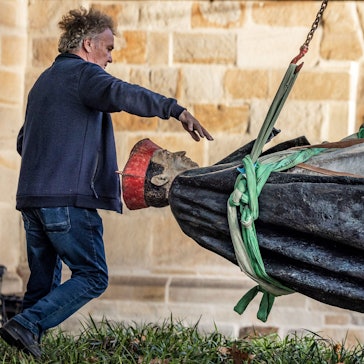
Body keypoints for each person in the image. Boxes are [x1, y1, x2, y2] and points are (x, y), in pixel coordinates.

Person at [0, 7, 213, 358]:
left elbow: (25, 142)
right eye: (109, 48)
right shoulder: (85, 75)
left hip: (33, 201)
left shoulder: (43, 83)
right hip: (68, 203)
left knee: (41, 285)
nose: (111, 58)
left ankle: (19, 347)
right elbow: (122, 93)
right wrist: (175, 109)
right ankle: (26, 325)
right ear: (87, 44)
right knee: (93, 275)